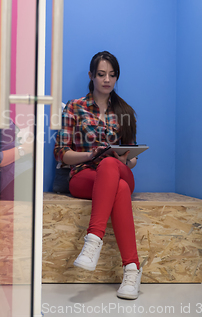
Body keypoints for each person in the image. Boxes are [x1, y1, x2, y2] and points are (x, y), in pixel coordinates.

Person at [54, 51, 142, 300]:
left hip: (120, 171)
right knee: (118, 185)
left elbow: (132, 158)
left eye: (112, 75)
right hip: (84, 175)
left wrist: (127, 158)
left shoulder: (125, 111)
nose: (107, 80)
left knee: (111, 166)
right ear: (91, 75)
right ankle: (132, 270)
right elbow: (61, 153)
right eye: (101, 74)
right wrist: (90, 154)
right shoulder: (74, 107)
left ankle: (93, 242)